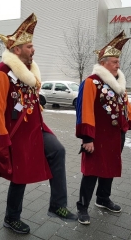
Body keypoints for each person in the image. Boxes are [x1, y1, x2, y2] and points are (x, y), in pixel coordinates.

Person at [0, 13, 77, 234]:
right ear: (16, 50)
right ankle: (11, 217)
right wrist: (0, 143)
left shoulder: (28, 72)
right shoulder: (1, 73)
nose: (33, 49)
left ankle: (57, 205)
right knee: (20, 177)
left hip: (35, 130)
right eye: (29, 46)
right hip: (14, 136)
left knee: (58, 151)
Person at [76, 30, 131, 225]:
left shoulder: (117, 83)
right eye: (115, 62)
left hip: (115, 135)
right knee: (91, 172)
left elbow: (124, 106)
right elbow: (84, 111)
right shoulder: (91, 83)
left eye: (118, 61)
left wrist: (127, 124)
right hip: (96, 137)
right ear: (103, 63)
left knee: (109, 168)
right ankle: (82, 207)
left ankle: (103, 198)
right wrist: (87, 138)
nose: (118, 65)